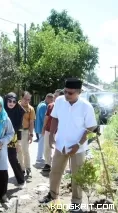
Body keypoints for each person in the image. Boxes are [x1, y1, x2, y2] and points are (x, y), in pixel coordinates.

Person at [39, 78, 97, 212]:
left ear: (79, 92)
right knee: (55, 172)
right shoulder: (59, 101)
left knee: (76, 176)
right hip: (61, 145)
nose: (66, 95)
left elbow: (91, 127)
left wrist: (78, 144)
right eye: (65, 92)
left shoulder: (86, 106)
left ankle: (76, 203)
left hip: (78, 148)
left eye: (70, 93)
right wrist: (52, 134)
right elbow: (55, 117)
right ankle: (52, 196)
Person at [3, 92, 26, 188]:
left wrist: (19, 142)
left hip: (12, 138)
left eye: (14, 101)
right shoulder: (0, 109)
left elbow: (19, 128)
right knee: (0, 160)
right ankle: (1, 184)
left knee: (12, 159)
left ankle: (21, 180)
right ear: (6, 101)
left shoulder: (19, 111)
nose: (11, 103)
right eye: (9, 101)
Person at [41, 89, 64, 172]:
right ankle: (48, 164)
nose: (55, 97)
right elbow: (46, 118)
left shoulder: (65, 106)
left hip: (60, 131)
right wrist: (43, 128)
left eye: (56, 96)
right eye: (55, 96)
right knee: (47, 147)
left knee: (58, 148)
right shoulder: (50, 106)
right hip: (48, 130)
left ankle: (56, 165)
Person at [17, 91, 35, 177]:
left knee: (25, 150)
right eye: (25, 99)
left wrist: (31, 134)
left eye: (28, 99)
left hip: (25, 131)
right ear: (21, 98)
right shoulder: (15, 106)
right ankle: (21, 168)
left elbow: (31, 122)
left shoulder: (30, 109)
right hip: (16, 132)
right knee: (18, 151)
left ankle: (28, 168)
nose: (27, 101)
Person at [35, 94, 54, 162]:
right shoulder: (44, 106)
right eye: (51, 100)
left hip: (39, 126)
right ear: (47, 98)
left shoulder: (41, 104)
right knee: (41, 143)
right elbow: (44, 118)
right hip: (41, 127)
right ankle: (39, 157)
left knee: (41, 143)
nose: (52, 102)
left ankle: (40, 157)